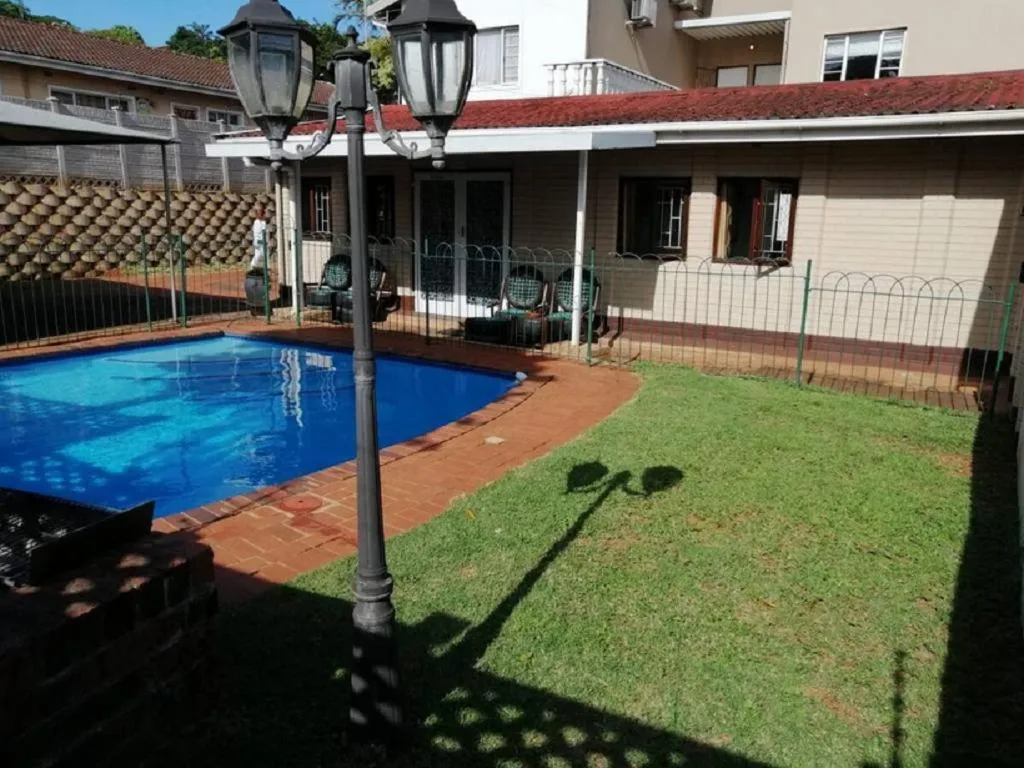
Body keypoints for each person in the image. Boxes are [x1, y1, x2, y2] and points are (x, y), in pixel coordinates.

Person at [250, 205, 269, 271]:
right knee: (263, 254)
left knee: (259, 254)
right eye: (264, 214)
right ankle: (265, 267)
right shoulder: (258, 222)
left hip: (261, 241)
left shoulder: (261, 222)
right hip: (260, 241)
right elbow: (260, 233)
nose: (265, 216)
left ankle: (254, 265)